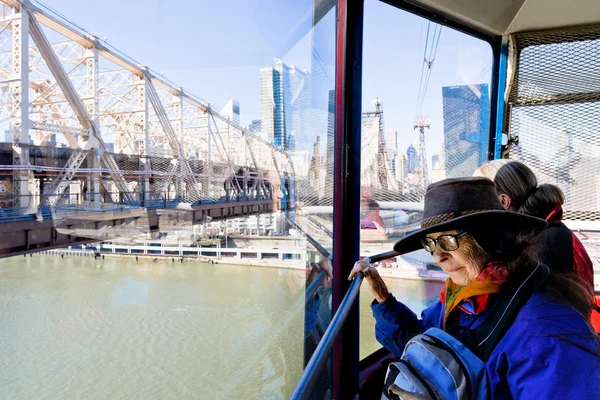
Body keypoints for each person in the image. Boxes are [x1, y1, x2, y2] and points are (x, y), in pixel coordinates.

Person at [349, 177, 600, 399]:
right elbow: (427, 345)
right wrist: (385, 301)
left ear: (488, 238)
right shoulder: (462, 297)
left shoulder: (548, 333)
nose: (438, 256)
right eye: (430, 243)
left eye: (448, 240)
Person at [474, 159, 594, 289]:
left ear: (503, 201)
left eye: (476, 197)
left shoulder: (540, 246)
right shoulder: (537, 231)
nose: (470, 206)